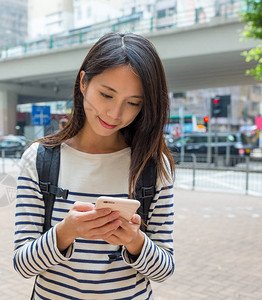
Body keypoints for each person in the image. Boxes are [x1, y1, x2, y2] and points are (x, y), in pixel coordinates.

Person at [13, 32, 175, 299]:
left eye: (133, 103)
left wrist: (134, 241)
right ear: (83, 82)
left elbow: (164, 270)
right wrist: (66, 232)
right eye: (106, 95)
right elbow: (23, 264)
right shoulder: (40, 159)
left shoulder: (154, 166)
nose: (114, 113)